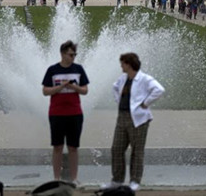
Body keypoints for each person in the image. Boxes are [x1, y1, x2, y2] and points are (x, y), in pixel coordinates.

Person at [103, 53, 164, 192]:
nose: (121, 66)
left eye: (122, 63)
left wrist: (146, 103)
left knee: (137, 151)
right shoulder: (123, 78)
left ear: (129, 64)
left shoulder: (144, 78)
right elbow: (115, 87)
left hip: (139, 119)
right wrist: (119, 102)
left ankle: (135, 181)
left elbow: (159, 89)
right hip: (122, 117)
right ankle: (117, 180)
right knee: (117, 149)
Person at [42, 40, 89, 184]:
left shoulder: (79, 69)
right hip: (56, 113)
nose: (73, 57)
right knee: (57, 146)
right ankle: (56, 178)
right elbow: (45, 91)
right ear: (63, 54)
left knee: (73, 147)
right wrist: (60, 86)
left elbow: (85, 90)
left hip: (75, 113)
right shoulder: (52, 70)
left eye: (75, 54)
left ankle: (74, 178)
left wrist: (74, 87)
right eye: (70, 54)